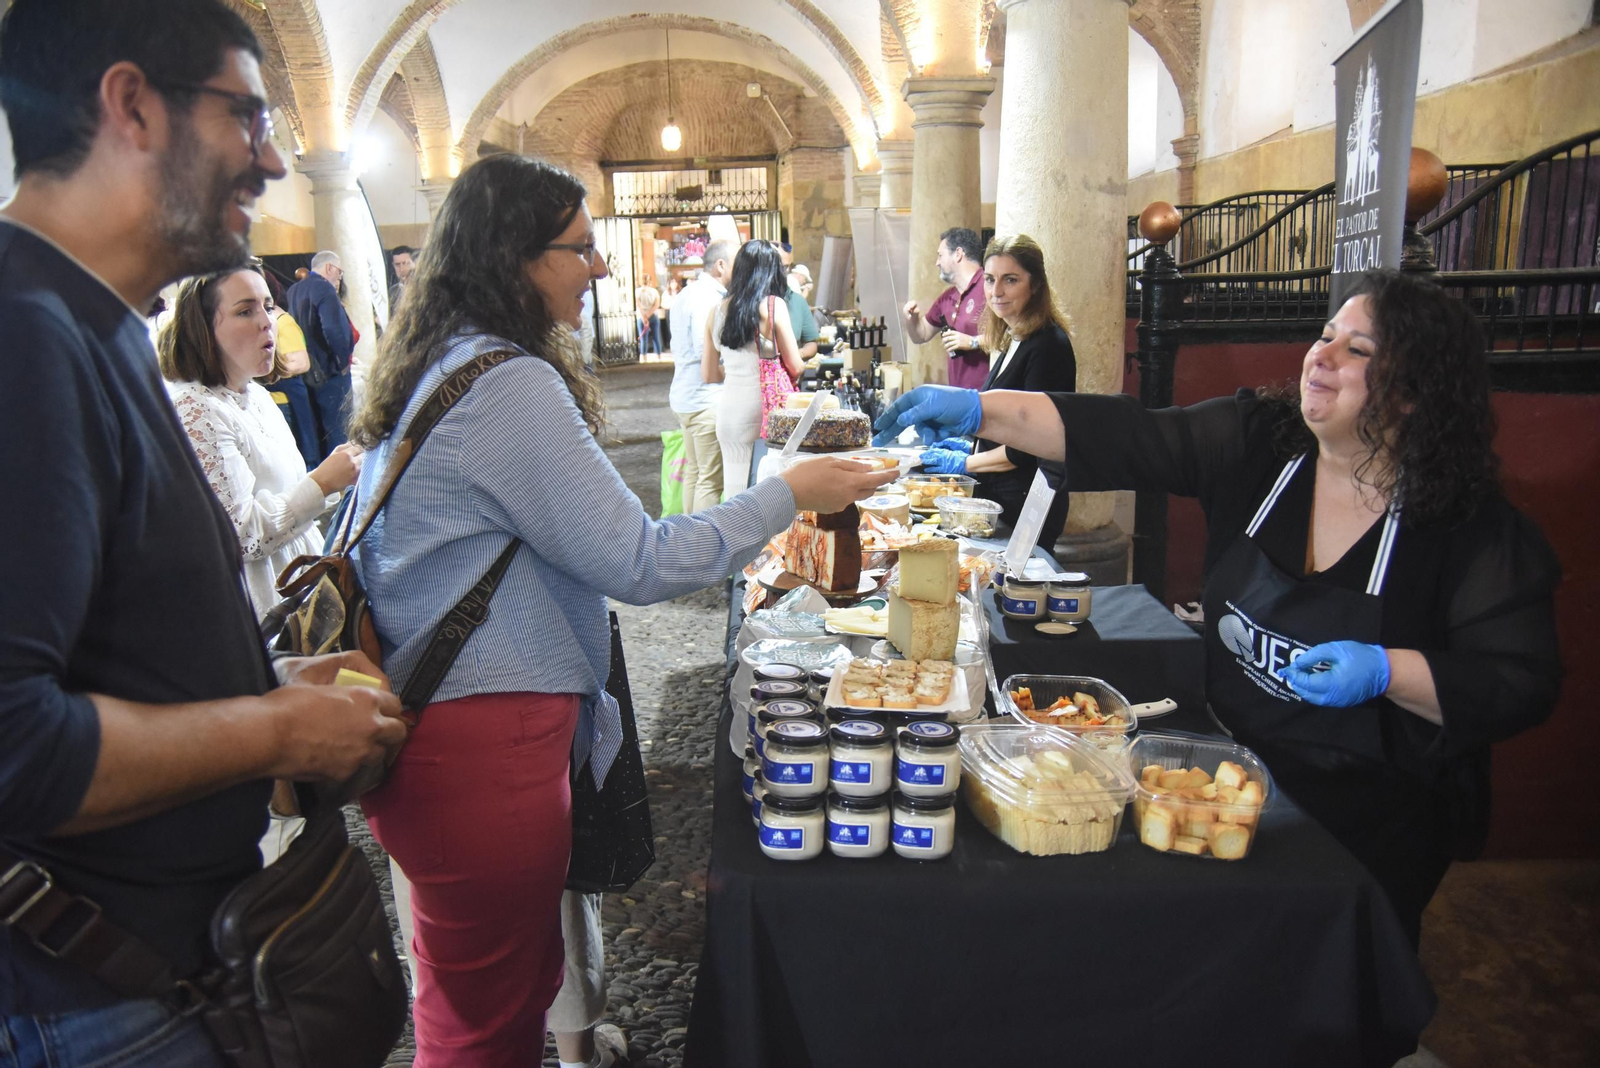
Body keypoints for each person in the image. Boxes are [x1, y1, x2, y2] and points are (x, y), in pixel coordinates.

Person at [346, 154, 892, 1065]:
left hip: (443, 729)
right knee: (485, 1019)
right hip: (484, 741)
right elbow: (640, 559)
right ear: (513, 257)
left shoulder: (439, 364)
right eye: (581, 248)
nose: (598, 268)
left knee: (476, 996)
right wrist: (785, 493)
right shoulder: (505, 383)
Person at [875, 269, 1563, 945]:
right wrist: (979, 409)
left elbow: (1517, 684)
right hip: (1219, 787)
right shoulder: (1262, 443)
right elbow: (1128, 432)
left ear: (1417, 393)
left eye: (1359, 351)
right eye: (1325, 336)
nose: (1321, 356)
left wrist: (1388, 670)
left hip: (1370, 823)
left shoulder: (1468, 530)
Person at [0, 2, 407, 1064]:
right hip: (99, 998)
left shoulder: (93, 324)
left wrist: (263, 696)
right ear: (131, 104)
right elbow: (11, 745)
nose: (272, 159)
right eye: (247, 115)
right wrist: (269, 734)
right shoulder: (25, 339)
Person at [159, 264, 362, 619]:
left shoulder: (256, 394)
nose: (268, 321)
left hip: (293, 582)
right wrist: (322, 482)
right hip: (256, 602)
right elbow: (240, 535)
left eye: (268, 306)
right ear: (203, 327)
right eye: (245, 310)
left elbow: (285, 494)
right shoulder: (196, 407)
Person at [917, 234, 1075, 547]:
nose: (996, 291)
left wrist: (965, 464)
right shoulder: (1015, 337)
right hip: (1003, 497)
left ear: (1036, 284)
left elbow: (1029, 445)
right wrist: (970, 444)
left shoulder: (1047, 345)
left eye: (1010, 280)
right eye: (990, 279)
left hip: (1028, 502)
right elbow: (1007, 424)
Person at [702, 240, 806, 495]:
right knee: (766, 493)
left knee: (734, 493)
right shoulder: (772, 306)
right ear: (772, 272)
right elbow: (796, 366)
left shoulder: (716, 311)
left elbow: (709, 374)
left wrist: (738, 370)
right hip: (763, 411)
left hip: (729, 413)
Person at [670, 239, 736, 511]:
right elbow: (705, 353)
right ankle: (702, 546)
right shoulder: (708, 298)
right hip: (704, 400)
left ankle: (687, 538)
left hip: (685, 397)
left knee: (695, 474)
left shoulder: (688, 292)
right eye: (736, 263)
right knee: (709, 481)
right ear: (721, 265)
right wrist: (736, 370)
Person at [900, 226, 990, 388]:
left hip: (988, 399)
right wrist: (912, 318)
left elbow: (1008, 337)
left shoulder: (989, 287)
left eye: (940, 256)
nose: (937, 263)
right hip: (959, 397)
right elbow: (921, 335)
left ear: (958, 254)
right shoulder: (947, 298)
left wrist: (972, 342)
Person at [286, 249, 355, 458]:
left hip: (308, 370)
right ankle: (344, 486)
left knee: (318, 429)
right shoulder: (325, 289)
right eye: (339, 272)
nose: (339, 278)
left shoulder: (293, 290)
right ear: (329, 268)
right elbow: (334, 329)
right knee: (338, 430)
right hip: (330, 372)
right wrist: (342, 361)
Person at [773, 242, 818, 362]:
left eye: (786, 267)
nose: (783, 272)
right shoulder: (750, 304)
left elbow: (811, 343)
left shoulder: (797, 301)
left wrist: (798, 354)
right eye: (779, 266)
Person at [636, 281, 663, 357]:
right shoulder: (654, 291)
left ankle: (644, 357)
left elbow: (638, 305)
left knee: (643, 339)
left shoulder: (638, 291)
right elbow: (656, 304)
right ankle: (659, 356)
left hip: (641, 316)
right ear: (649, 282)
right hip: (653, 315)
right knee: (656, 337)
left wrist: (644, 316)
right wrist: (649, 314)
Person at [390, 244, 416, 311]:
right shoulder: (392, 292)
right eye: (397, 265)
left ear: (414, 263)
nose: (402, 269)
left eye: (405, 263)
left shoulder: (424, 289)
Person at [659, 274, 681, 349]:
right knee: (670, 328)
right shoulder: (666, 293)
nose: (673, 284)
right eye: (672, 282)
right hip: (669, 312)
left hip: (679, 312)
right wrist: (670, 307)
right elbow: (662, 304)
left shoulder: (681, 292)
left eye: (675, 282)